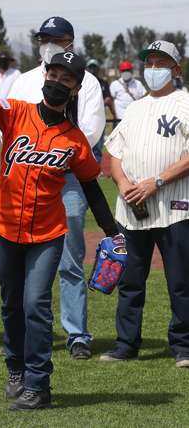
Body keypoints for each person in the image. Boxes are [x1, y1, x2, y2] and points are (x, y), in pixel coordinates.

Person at [0, 51, 119, 410]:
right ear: (45, 76)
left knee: (36, 305)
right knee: (11, 304)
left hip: (47, 234)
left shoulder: (74, 139)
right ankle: (15, 369)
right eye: (55, 75)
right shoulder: (16, 112)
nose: (58, 82)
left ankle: (38, 384)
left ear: (76, 89)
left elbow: (92, 188)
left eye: (67, 79)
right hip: (4, 227)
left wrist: (112, 230)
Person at [9, 16, 105, 360]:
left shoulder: (87, 82)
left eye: (57, 37)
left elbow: (91, 132)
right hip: (24, 178)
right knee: (21, 261)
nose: (49, 42)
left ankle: (77, 332)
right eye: (44, 37)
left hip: (67, 178)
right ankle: (30, 331)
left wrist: (50, 150)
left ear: (71, 41)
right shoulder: (23, 81)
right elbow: (7, 127)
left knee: (69, 259)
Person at [102, 40, 189, 368]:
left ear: (176, 69)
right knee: (129, 280)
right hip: (132, 210)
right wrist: (123, 183)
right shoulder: (134, 108)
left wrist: (157, 181)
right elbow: (114, 153)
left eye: (161, 63)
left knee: (181, 281)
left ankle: (183, 345)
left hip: (175, 206)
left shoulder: (185, 103)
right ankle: (126, 344)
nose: (153, 68)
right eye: (149, 63)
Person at [86, 59, 114, 164]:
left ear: (98, 69)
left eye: (94, 67)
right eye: (90, 67)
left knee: (98, 145)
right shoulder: (83, 83)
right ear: (87, 69)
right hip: (85, 118)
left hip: (98, 119)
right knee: (85, 144)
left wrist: (99, 102)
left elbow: (108, 99)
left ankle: (96, 168)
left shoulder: (103, 83)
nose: (92, 70)